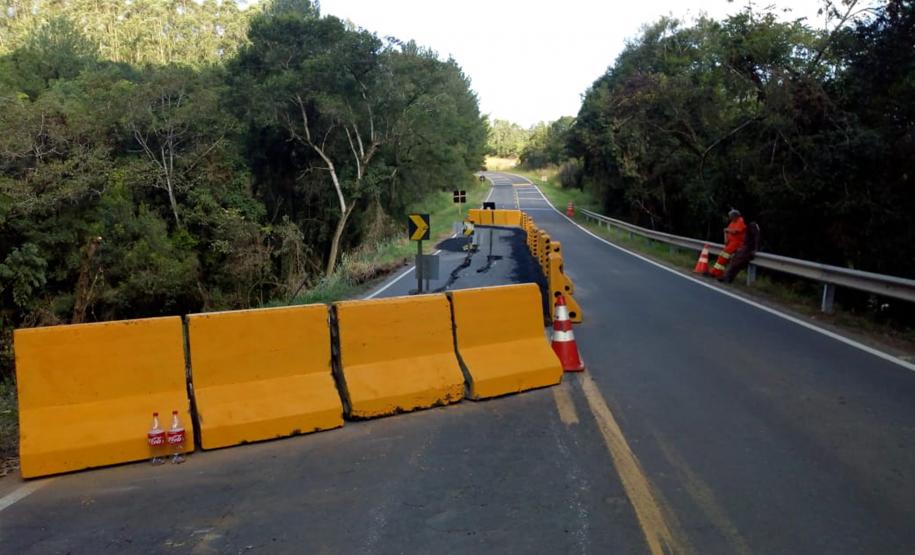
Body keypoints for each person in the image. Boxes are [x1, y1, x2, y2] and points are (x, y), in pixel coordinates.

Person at [708, 209, 746, 278]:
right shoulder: (733, 222)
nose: (730, 218)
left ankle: (715, 272)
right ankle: (717, 272)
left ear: (735, 216)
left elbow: (735, 231)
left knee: (723, 256)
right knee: (722, 257)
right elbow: (726, 231)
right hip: (731, 243)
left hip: (736, 243)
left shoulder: (740, 221)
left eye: (731, 216)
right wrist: (726, 239)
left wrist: (727, 230)